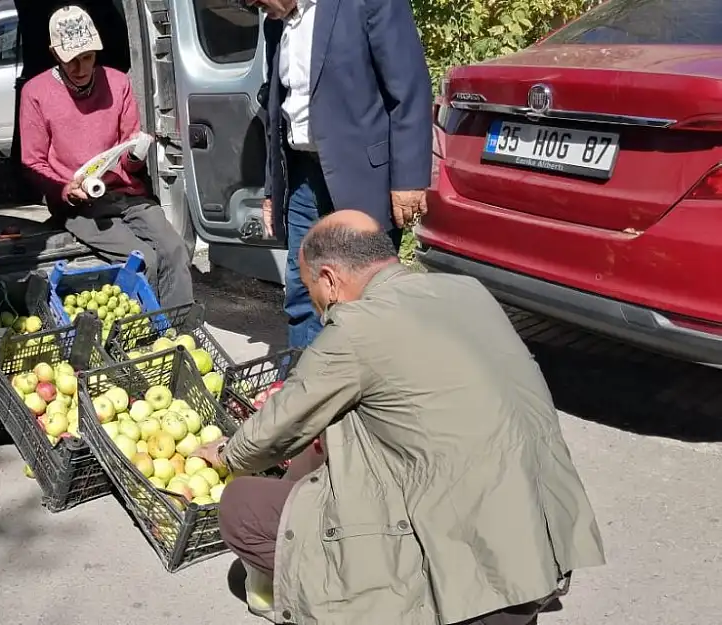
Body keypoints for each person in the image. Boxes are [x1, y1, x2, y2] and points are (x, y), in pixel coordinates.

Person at [193, 210, 606, 625]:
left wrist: (226, 453)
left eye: (310, 287)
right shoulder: (467, 291)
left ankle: (391, 605)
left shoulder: (357, 327)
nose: (316, 305)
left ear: (331, 280)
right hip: (543, 550)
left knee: (242, 506)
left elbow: (277, 429)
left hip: (472, 579)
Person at [249, 0, 433, 349]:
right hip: (304, 175)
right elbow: (277, 112)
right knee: (304, 287)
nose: (256, 8)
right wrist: (273, 188)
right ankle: (306, 383)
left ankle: (370, 392)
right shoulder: (276, 22)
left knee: (364, 294)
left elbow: (408, 89)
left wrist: (408, 179)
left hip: (362, 176)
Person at [19, 5, 194, 308]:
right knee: (143, 260)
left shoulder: (117, 83)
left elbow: (129, 158)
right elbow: (33, 163)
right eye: (71, 60)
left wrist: (137, 155)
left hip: (127, 194)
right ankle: (140, 334)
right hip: (79, 206)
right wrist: (64, 190)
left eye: (87, 58)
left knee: (175, 249)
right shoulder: (36, 92)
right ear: (53, 53)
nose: (81, 68)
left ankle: (178, 331)